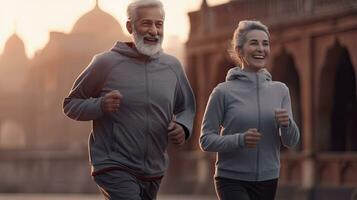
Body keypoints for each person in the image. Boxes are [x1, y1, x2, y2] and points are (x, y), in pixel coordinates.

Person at [63, 0, 195, 199]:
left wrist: (183, 127)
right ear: (130, 27)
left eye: (159, 24)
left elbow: (187, 107)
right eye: (146, 23)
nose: (153, 31)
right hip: (113, 165)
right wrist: (100, 105)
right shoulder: (105, 63)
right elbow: (71, 104)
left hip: (154, 170)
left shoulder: (172, 66)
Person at [199, 20, 300, 200]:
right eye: (254, 43)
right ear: (239, 51)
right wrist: (240, 140)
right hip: (230, 179)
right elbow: (206, 140)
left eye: (265, 43)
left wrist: (287, 124)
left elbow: (291, 141)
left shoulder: (280, 90)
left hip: (269, 179)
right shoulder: (223, 92)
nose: (261, 48)